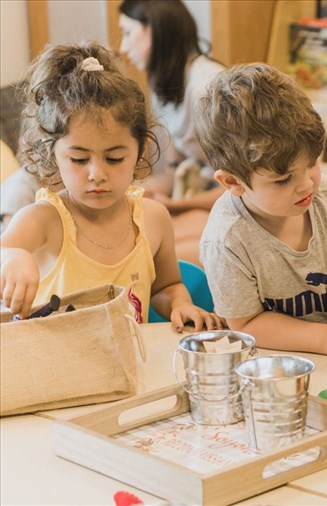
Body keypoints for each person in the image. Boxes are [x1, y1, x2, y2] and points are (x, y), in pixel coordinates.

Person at [0, 42, 223, 331]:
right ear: (53, 154)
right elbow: (4, 250)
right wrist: (14, 256)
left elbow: (166, 286)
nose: (97, 174)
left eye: (115, 158)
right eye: (79, 159)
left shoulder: (153, 220)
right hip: (58, 368)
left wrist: (179, 304)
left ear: (140, 151)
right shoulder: (44, 219)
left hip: (128, 368)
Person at [196, 63, 327, 358]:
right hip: (271, 363)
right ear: (233, 182)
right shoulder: (226, 240)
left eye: (312, 163)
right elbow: (246, 322)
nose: (307, 184)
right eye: (283, 179)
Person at [118, 0, 226, 267]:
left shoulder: (206, 89)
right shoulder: (165, 84)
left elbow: (245, 187)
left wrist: (172, 205)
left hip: (234, 203)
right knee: (131, 235)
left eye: (128, 33)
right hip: (202, 199)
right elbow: (173, 172)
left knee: (147, 255)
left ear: (156, 30)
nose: (122, 47)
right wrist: (122, 192)